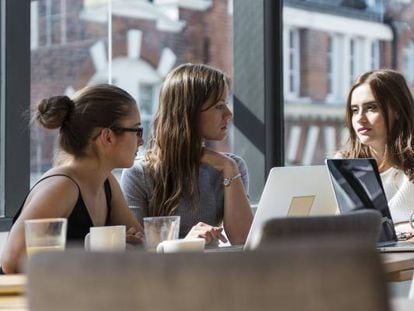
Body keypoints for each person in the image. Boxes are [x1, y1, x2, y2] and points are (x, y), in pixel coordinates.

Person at [1, 84, 144, 274]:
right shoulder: (62, 187)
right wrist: (97, 252)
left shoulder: (107, 183)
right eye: (137, 131)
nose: (141, 141)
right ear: (107, 137)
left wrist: (130, 243)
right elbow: (12, 262)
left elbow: (140, 242)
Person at [121, 63, 253, 245]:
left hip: (216, 271)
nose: (228, 114)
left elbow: (243, 239)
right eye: (219, 106)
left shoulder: (231, 167)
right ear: (189, 112)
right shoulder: (139, 174)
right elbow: (137, 251)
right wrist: (185, 243)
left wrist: (229, 169)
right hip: (168, 273)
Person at [338, 69, 414, 230]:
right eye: (354, 110)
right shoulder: (343, 163)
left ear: (397, 110)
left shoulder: (410, 167)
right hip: (358, 253)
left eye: (371, 108)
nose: (360, 118)